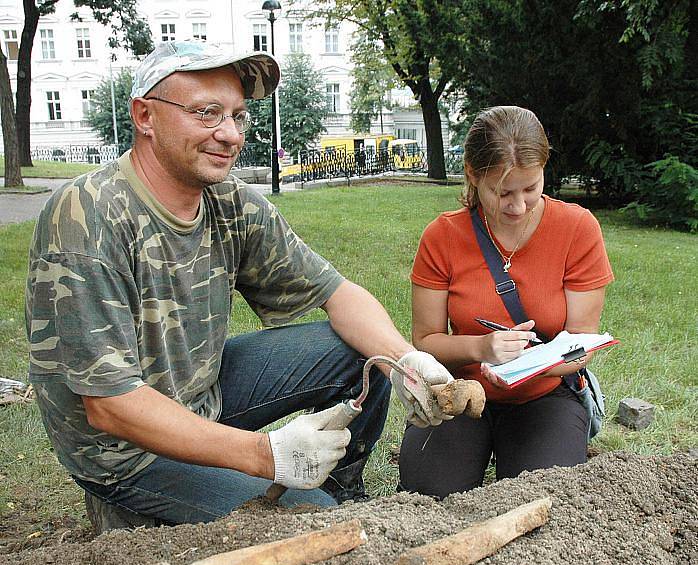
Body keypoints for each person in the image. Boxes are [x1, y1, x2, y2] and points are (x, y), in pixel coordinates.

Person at [24, 40, 453, 531]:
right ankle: (129, 507)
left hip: (203, 392)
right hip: (123, 450)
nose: (229, 134)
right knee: (318, 527)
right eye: (207, 113)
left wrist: (406, 362)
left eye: (237, 115)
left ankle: (337, 487)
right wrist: (266, 455)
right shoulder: (88, 216)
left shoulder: (229, 200)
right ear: (145, 116)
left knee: (363, 353)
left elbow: (336, 293)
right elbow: (109, 407)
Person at [398, 106, 614, 499]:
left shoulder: (577, 228)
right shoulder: (442, 236)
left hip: (544, 394)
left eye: (530, 189)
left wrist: (532, 367)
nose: (518, 206)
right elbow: (425, 341)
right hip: (461, 392)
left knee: (543, 499)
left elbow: (582, 343)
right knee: (427, 496)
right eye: (502, 193)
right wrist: (481, 349)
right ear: (472, 175)